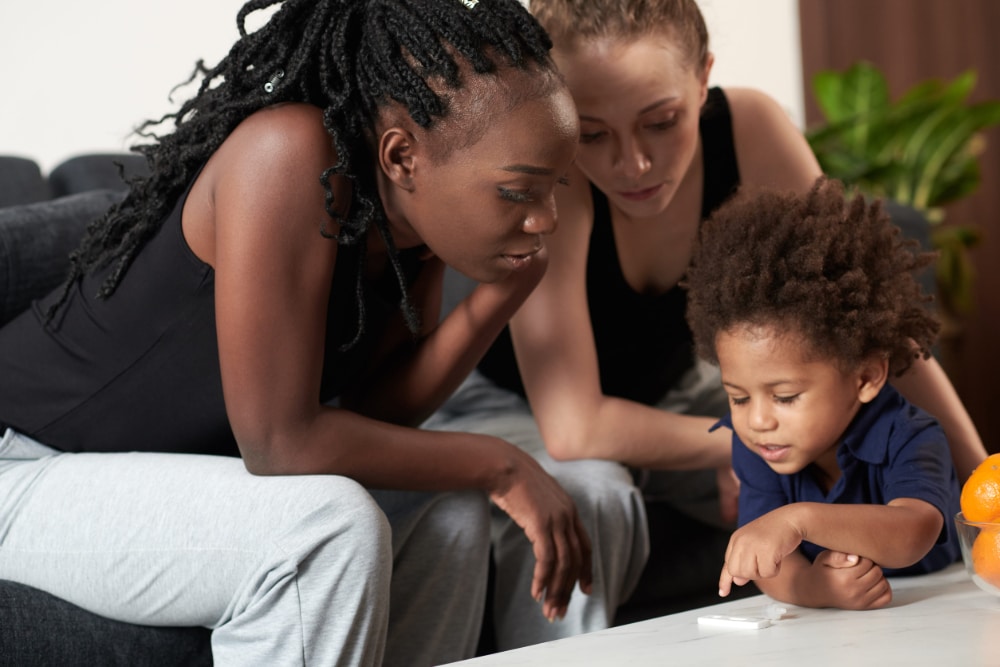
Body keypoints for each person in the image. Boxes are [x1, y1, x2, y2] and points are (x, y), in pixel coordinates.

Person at [0, 1, 593, 665]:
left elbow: (378, 412)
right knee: (328, 528)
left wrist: (498, 296)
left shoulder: (408, 231)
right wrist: (501, 463)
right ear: (403, 156)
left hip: (118, 471)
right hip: (21, 460)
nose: (548, 220)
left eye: (556, 191)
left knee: (449, 512)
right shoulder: (287, 155)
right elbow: (280, 442)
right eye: (519, 192)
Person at [424, 0, 985, 647]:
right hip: (513, 404)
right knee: (593, 495)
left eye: (661, 121)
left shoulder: (751, 126)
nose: (631, 163)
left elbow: (872, 333)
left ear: (702, 80)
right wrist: (750, 440)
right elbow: (574, 426)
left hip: (667, 394)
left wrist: (982, 484)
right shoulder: (557, 181)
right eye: (593, 132)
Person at [685, 178, 962, 609]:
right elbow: (771, 560)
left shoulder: (911, 435)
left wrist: (797, 520)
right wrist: (815, 589)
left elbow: (914, 532)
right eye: (739, 398)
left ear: (866, 377)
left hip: (940, 601)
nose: (757, 421)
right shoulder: (758, 446)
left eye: (786, 397)